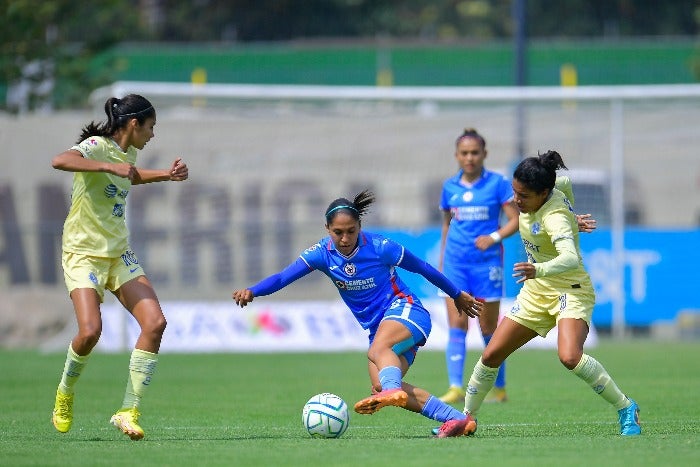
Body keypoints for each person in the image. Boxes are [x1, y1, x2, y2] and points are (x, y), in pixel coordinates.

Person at [232, 190, 483, 432]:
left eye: (350, 231)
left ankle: (392, 390)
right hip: (379, 327)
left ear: (359, 227)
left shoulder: (381, 247)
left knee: (380, 357)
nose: (344, 238)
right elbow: (282, 278)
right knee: (379, 386)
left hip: (407, 311)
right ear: (327, 229)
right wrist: (253, 291)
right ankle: (457, 419)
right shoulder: (322, 254)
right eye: (338, 232)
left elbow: (423, 267)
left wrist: (456, 294)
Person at [436, 150, 641, 438]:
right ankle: (464, 419)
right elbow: (566, 184)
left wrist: (546, 256)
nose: (516, 201)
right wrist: (573, 217)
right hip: (536, 294)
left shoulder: (553, 217)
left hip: (570, 291)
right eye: (514, 193)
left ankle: (626, 407)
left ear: (544, 193)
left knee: (569, 356)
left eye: (524, 196)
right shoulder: (554, 188)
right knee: (491, 354)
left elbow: (569, 257)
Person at [50, 94, 189, 440]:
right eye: (151, 127)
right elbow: (60, 160)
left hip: (118, 253)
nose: (153, 135)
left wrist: (166, 176)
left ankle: (128, 411)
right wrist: (107, 166)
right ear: (133, 124)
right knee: (89, 331)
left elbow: (130, 175)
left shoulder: (130, 153)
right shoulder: (96, 146)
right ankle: (65, 393)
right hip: (83, 253)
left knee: (155, 323)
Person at [437, 128, 520, 405]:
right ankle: (454, 387)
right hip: (456, 264)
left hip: (487, 266)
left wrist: (493, 237)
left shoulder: (497, 184)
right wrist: (442, 260)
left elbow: (515, 220)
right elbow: (447, 224)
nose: (470, 158)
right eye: (464, 153)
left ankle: (500, 388)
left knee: (488, 329)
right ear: (456, 156)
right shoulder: (449, 187)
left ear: (484, 154)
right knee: (457, 325)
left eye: (475, 153)